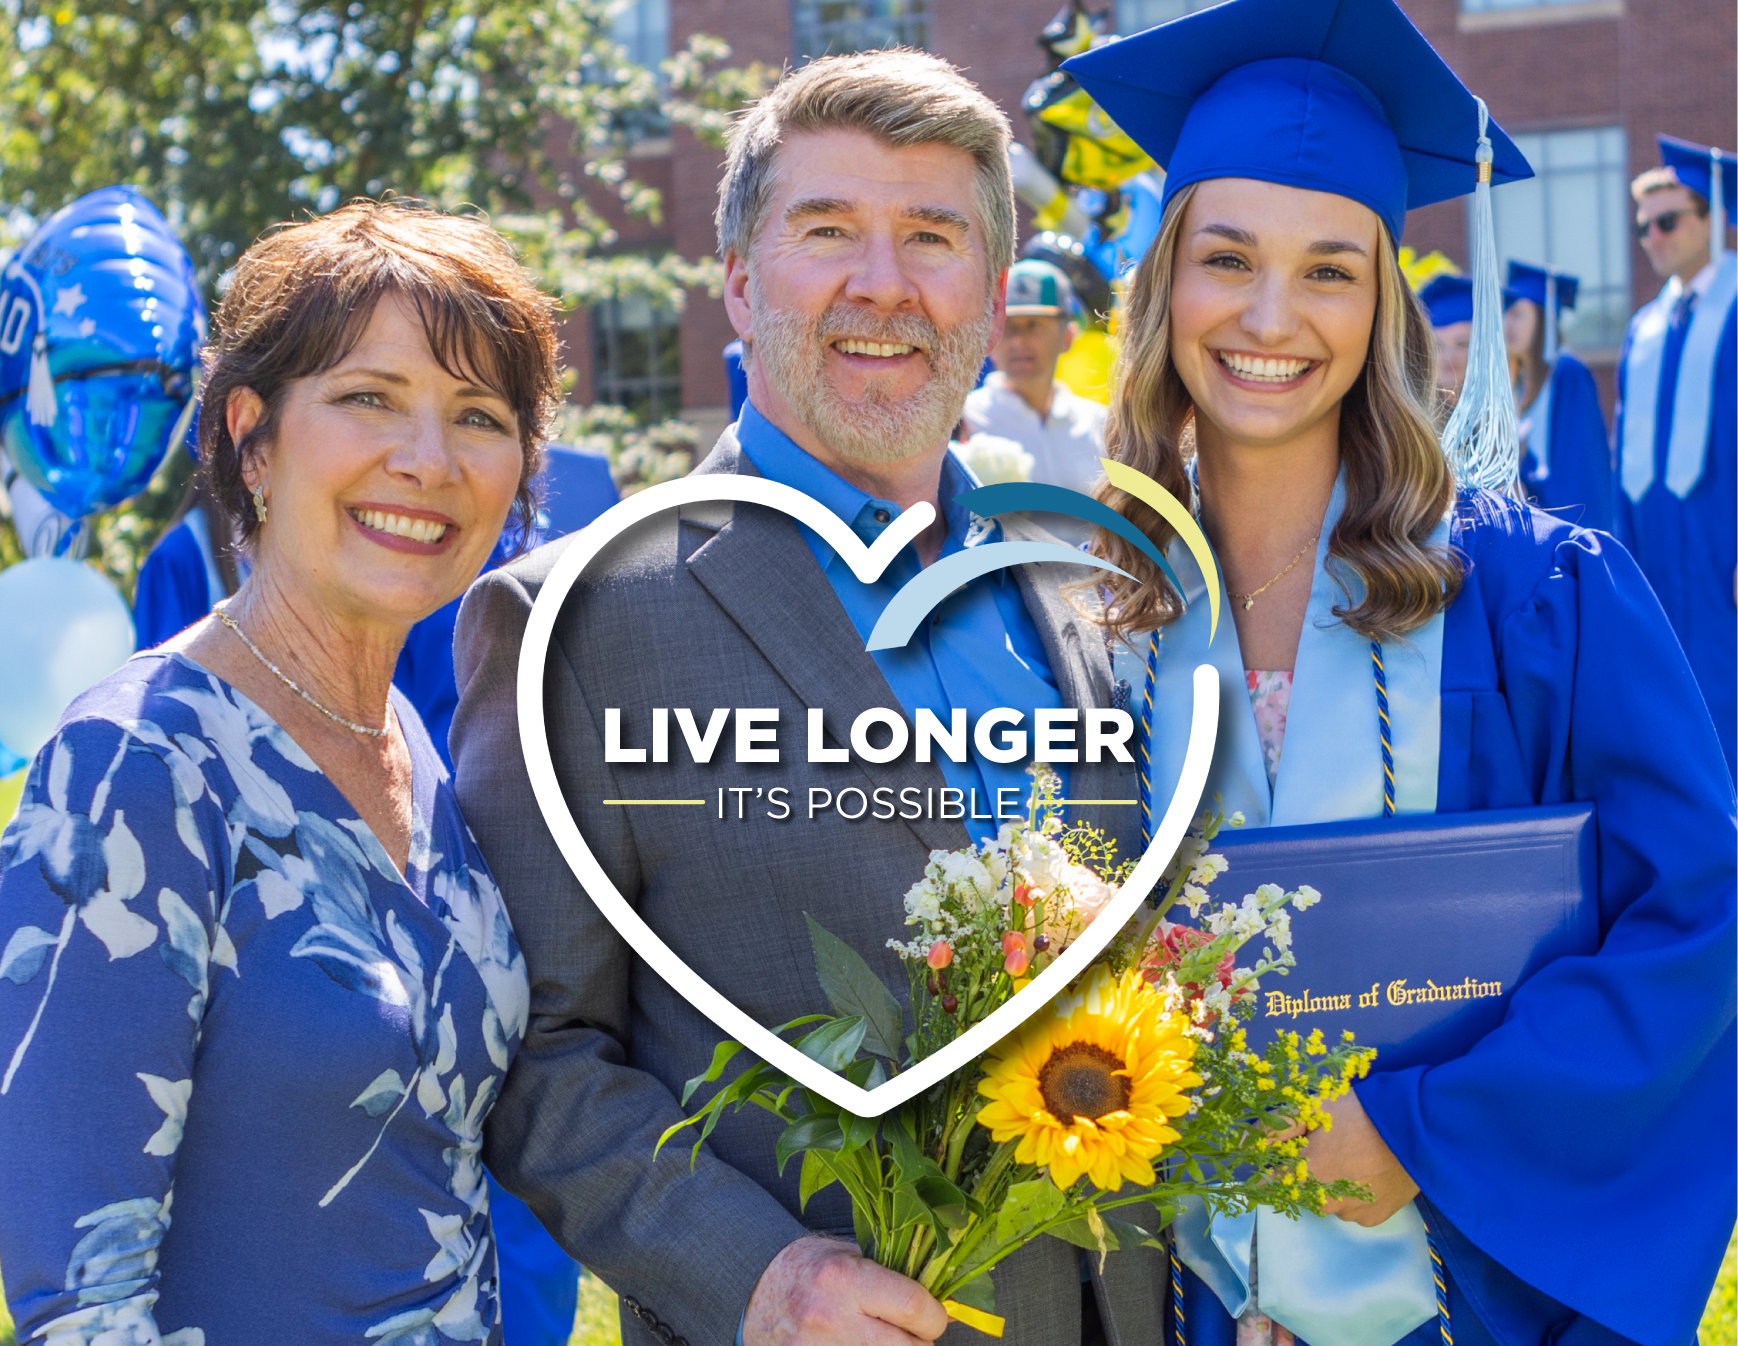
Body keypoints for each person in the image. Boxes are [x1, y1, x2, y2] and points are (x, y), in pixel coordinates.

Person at [452, 50, 1162, 1346]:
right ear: (735, 279)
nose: (880, 283)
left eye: (931, 238)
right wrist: (755, 1274)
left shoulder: (1073, 595)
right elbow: (535, 1060)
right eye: (824, 230)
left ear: (993, 296)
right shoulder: (580, 621)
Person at [1065, 1, 1738, 1343]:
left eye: (1329, 269)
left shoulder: (1534, 593)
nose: (1271, 315)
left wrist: (1421, 1127)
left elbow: (1700, 921)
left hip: (1458, 1303)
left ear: (1382, 299)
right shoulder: (1088, 613)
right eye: (1226, 258)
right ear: (1161, 283)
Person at [0, 199, 555, 1341]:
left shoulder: (414, 744)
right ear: (252, 435)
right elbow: (78, 1297)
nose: (428, 459)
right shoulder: (134, 766)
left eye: (478, 415)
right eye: (369, 398)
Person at [1614, 135, 1738, 768]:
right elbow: (1625, 454)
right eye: (1643, 228)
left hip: (1723, 547)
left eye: (1668, 221)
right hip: (1659, 546)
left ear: (1714, 219)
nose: (1653, 238)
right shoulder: (1647, 326)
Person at [964, 257, 1109, 503]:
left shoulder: (1103, 427)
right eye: (1008, 326)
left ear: (1068, 336)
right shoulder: (962, 422)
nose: (1019, 341)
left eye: (1034, 325)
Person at [1505, 261, 1613, 532]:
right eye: (1505, 314)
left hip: (1563, 526)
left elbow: (1580, 468)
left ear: (1543, 318)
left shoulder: (1567, 373)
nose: (1508, 324)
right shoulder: (1518, 381)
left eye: (1518, 314)